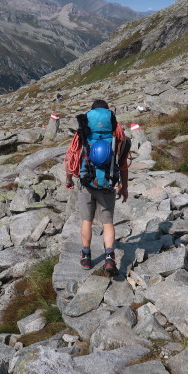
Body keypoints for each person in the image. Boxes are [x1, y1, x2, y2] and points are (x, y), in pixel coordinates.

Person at [64, 99, 130, 275]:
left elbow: (71, 158)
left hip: (86, 182)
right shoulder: (118, 135)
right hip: (108, 183)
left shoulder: (83, 132)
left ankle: (86, 256)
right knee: (107, 222)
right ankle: (109, 258)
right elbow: (122, 164)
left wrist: (69, 179)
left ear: (91, 114)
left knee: (87, 220)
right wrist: (124, 187)